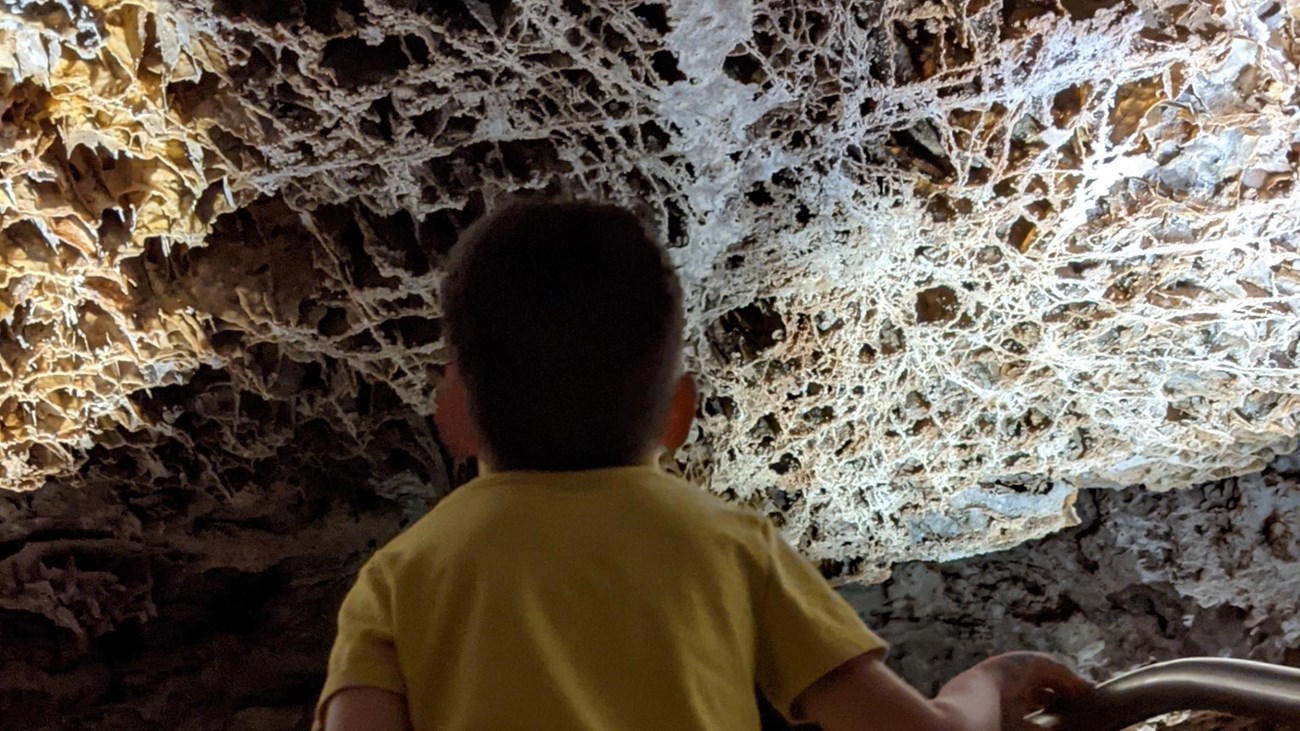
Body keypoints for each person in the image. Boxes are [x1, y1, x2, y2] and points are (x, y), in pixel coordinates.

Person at [315, 200, 1093, 731]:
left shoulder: (401, 577)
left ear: (453, 408)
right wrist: (991, 680)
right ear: (679, 412)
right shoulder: (730, 545)